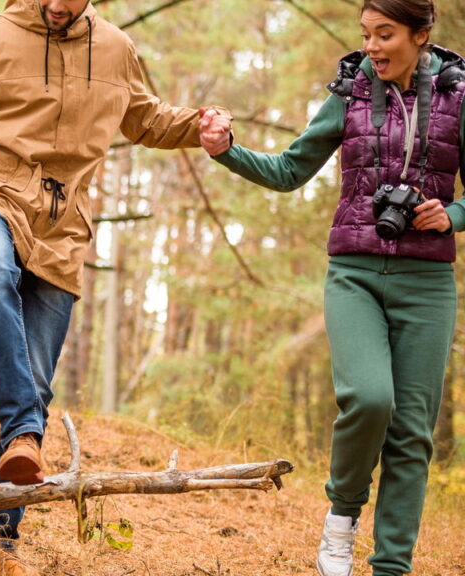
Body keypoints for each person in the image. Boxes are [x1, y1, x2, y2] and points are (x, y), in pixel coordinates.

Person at [0, 1, 226, 573]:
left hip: (64, 223)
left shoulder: (116, 47)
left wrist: (201, 125)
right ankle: (23, 430)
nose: (59, 4)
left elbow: (145, 119)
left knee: (36, 383)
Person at [200, 2, 464, 575]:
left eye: (385, 34)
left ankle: (391, 567)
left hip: (428, 283)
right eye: (365, 34)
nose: (371, 46)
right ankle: (341, 518)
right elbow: (290, 170)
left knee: (412, 435)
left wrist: (455, 214)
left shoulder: (457, 96)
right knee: (370, 399)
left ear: (421, 35)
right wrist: (226, 152)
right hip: (355, 274)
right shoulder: (350, 93)